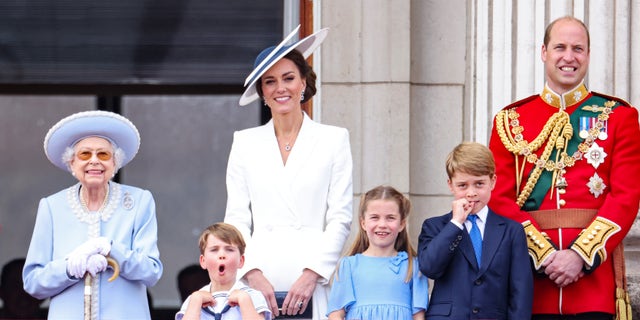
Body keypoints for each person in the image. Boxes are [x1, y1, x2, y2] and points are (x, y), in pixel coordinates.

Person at [488, 16, 640, 319]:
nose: (569, 57)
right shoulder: (510, 120)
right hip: (531, 287)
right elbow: (498, 197)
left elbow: (626, 196)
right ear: (544, 52)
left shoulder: (619, 117)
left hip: (592, 288)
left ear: (588, 54)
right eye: (560, 47)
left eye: (578, 49)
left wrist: (579, 257)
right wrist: (543, 256)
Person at [225, 24, 353, 320]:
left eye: (288, 78)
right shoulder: (244, 143)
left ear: (304, 83)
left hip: (311, 277)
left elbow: (340, 217)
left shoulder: (334, 139)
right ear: (262, 93)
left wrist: (312, 274)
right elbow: (236, 218)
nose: (280, 88)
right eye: (270, 82)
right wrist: (252, 272)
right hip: (259, 279)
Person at [23, 110, 163, 319]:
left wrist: (112, 250)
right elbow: (33, 282)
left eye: (104, 154)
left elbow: (151, 272)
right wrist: (69, 268)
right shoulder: (52, 207)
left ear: (115, 163)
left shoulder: (139, 202)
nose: (94, 161)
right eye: (85, 154)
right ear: (72, 163)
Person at [418, 142, 533, 319]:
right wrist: (456, 223)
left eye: (479, 184)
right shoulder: (435, 226)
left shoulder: (512, 231)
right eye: (462, 185)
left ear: (493, 181)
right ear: (450, 185)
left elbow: (521, 291)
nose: (471, 193)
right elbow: (430, 268)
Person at [326, 185, 428, 320]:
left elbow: (419, 316)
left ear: (402, 224)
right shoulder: (348, 265)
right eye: (375, 217)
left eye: (390, 218)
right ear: (363, 223)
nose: (382, 224)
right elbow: (336, 314)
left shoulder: (413, 266)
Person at [175, 222, 271, 320]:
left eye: (229, 249)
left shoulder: (252, 296)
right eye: (214, 250)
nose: (222, 255)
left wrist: (244, 301)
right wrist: (195, 301)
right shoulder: (193, 300)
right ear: (203, 261)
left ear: (241, 261)